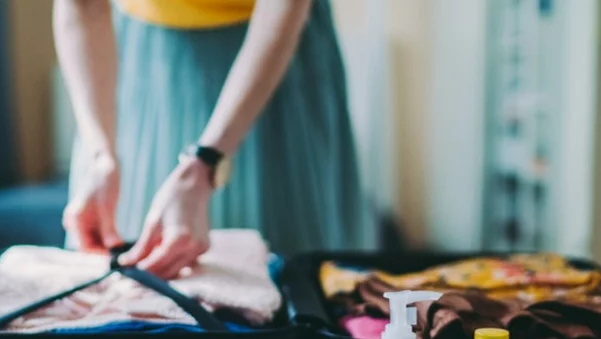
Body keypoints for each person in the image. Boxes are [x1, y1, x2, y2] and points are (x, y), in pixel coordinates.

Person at [55, 0, 376, 279]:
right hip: (140, 55)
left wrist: (206, 161)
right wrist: (101, 153)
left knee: (284, 276)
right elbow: (81, 4)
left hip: (272, 52)